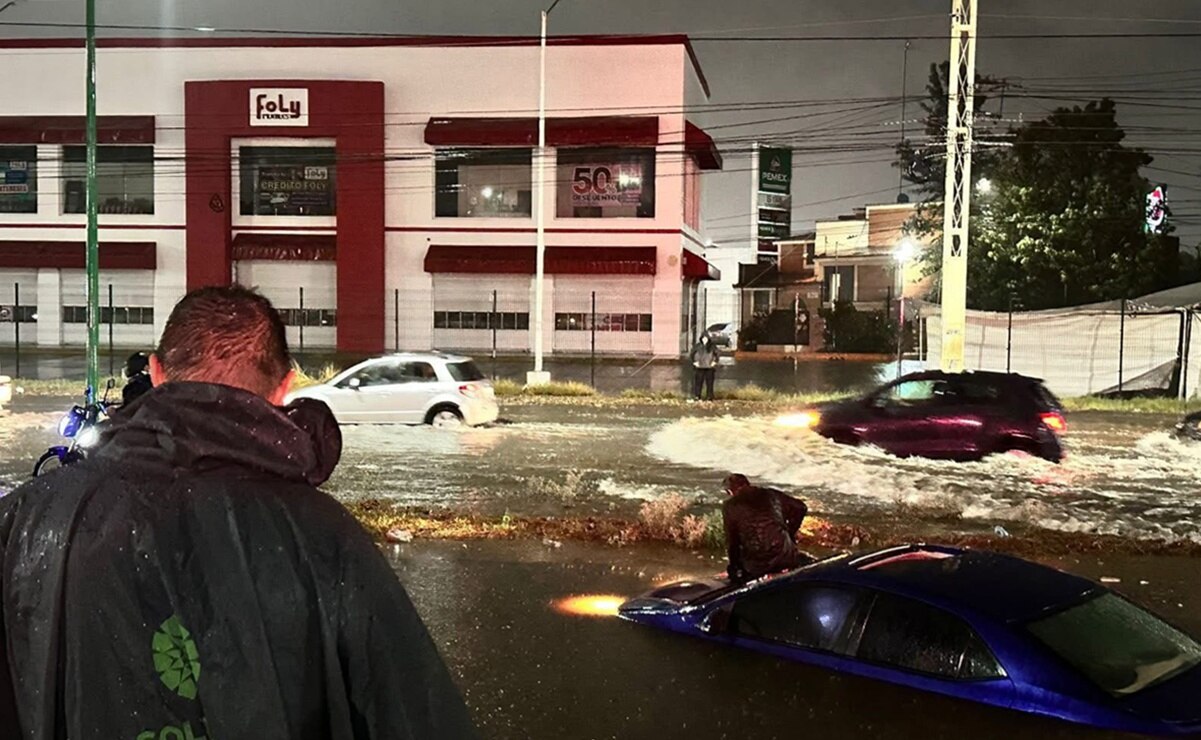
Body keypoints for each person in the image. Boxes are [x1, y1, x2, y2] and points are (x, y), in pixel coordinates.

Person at [0, 286, 476, 739]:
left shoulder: (29, 517)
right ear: (285, 386)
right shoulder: (326, 535)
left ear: (157, 372)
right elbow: (414, 712)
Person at [721, 473, 809, 585]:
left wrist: (733, 567)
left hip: (758, 565)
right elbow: (801, 507)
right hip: (785, 557)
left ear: (730, 491)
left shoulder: (730, 506)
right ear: (748, 484)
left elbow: (733, 542)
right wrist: (789, 531)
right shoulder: (771, 494)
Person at [690, 333, 720, 401]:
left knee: (709, 383)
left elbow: (717, 354)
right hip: (699, 367)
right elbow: (692, 354)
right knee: (698, 383)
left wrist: (714, 362)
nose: (704, 340)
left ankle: (709, 396)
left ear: (708, 339)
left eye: (706, 338)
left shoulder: (712, 346)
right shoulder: (697, 346)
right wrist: (694, 362)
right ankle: (697, 396)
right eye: (703, 338)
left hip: (709, 367)